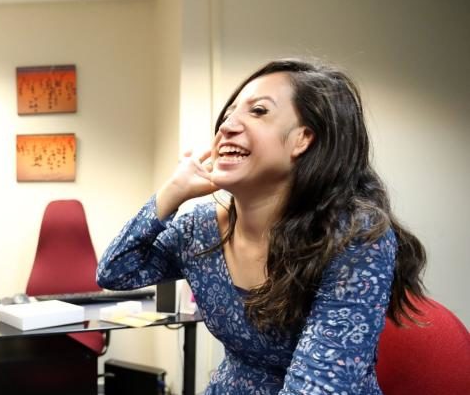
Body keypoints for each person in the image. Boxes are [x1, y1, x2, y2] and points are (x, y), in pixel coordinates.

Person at [97, 59, 427, 394]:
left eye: (258, 111)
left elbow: (317, 388)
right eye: (228, 114)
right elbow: (115, 272)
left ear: (303, 139)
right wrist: (172, 191)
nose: (227, 126)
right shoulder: (199, 230)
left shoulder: (353, 236)